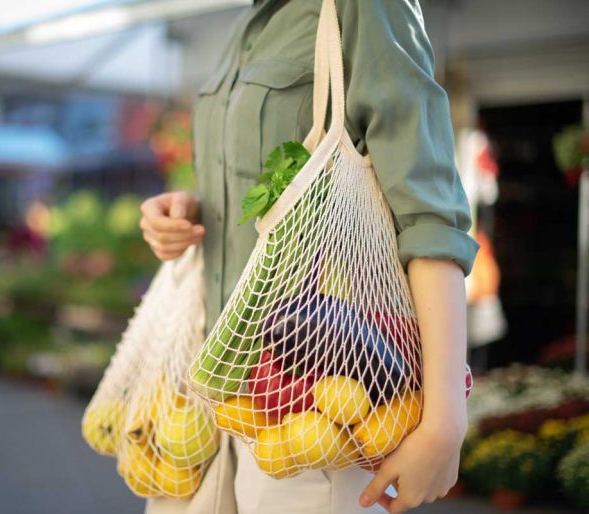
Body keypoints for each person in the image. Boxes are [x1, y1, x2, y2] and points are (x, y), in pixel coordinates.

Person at [139, 0, 479, 513]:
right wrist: (187, 207)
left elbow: (429, 217)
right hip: (219, 393)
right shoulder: (246, 25)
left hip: (322, 395)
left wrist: (445, 422)